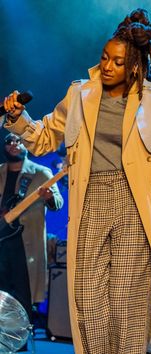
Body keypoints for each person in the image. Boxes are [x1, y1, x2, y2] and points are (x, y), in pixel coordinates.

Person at [2, 8, 151, 354]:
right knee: (86, 300)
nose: (107, 66)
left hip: (135, 204)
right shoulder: (79, 96)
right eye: (104, 57)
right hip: (90, 199)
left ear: (133, 65)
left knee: (125, 302)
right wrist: (17, 118)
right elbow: (43, 137)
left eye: (117, 61)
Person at [0, 133, 63, 325]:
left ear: (26, 145)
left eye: (18, 140)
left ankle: (20, 339)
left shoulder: (40, 172)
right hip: (1, 243)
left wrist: (49, 197)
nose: (13, 144)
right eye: (9, 141)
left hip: (25, 247)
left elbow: (58, 203)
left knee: (23, 293)